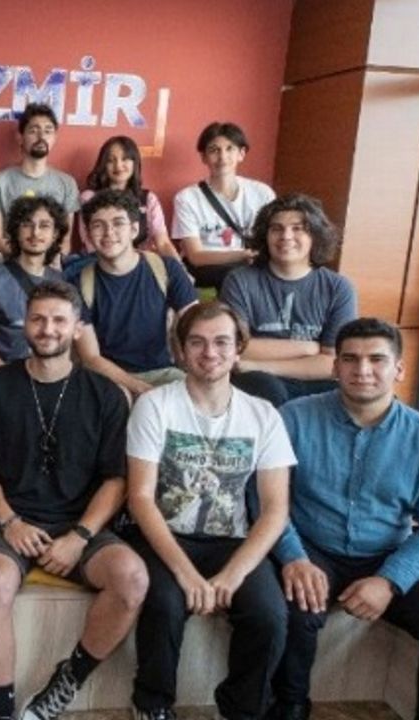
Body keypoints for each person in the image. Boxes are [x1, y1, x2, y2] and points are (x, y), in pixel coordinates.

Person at [0, 281, 146, 720]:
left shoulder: (106, 394)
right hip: (8, 519)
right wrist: (10, 521)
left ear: (77, 328)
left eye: (58, 320)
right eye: (38, 319)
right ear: (24, 324)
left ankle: (68, 680)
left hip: (80, 522)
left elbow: (116, 480)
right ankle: (4, 711)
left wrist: (80, 536)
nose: (47, 329)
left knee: (132, 580)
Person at [266, 318, 419, 720]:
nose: (362, 370)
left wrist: (390, 580)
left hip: (387, 552)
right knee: (291, 612)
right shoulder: (291, 418)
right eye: (350, 359)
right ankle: (290, 707)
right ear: (335, 367)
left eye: (376, 360)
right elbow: (264, 500)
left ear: (399, 369)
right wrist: (294, 557)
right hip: (311, 546)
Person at [125, 301, 296, 720]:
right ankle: (152, 704)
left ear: (239, 349)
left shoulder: (263, 415)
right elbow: (140, 498)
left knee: (269, 615)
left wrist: (233, 575)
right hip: (163, 535)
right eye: (197, 343)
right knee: (165, 604)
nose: (210, 353)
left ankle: (241, 709)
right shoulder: (155, 405)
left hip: (231, 540)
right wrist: (186, 573)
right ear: (181, 351)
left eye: (222, 342)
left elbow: (275, 510)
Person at [220, 193, 357, 407]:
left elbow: (334, 362)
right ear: (265, 236)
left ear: (315, 236)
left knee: (363, 396)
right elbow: (235, 347)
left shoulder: (338, 288)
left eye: (297, 228)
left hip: (311, 379)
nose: (286, 236)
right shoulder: (240, 281)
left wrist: (259, 364)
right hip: (259, 382)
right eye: (276, 229)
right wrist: (309, 349)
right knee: (269, 390)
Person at [73, 190, 197, 398]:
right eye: (98, 225)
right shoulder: (78, 283)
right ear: (88, 233)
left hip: (162, 373)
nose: (109, 232)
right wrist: (141, 390)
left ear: (134, 229)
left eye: (118, 223)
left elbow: (196, 324)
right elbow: (91, 358)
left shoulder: (166, 269)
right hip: (108, 378)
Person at [172, 122, 275, 289]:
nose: (222, 157)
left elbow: (272, 236)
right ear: (203, 157)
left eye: (229, 149)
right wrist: (241, 255)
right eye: (214, 150)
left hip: (250, 264)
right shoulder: (187, 198)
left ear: (241, 153)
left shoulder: (262, 193)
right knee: (239, 277)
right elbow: (196, 256)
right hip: (208, 270)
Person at [0, 195, 66, 371]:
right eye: (27, 224)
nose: (35, 233)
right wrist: (12, 381)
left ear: (55, 234)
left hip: (47, 374)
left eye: (44, 226)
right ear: (15, 230)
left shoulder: (62, 283)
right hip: (0, 374)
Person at [0, 103, 81, 255]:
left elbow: (65, 241)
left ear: (54, 138)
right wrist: (28, 260)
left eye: (48, 131)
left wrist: (46, 262)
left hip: (52, 263)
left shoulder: (67, 183)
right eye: (33, 131)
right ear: (20, 137)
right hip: (11, 261)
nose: (41, 137)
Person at [76, 136, 179, 260]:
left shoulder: (148, 199)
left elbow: (163, 243)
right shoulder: (89, 198)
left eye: (125, 159)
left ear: (135, 162)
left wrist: (179, 267)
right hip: (99, 262)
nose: (118, 166)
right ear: (103, 165)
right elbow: (90, 243)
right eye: (110, 160)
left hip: (141, 262)